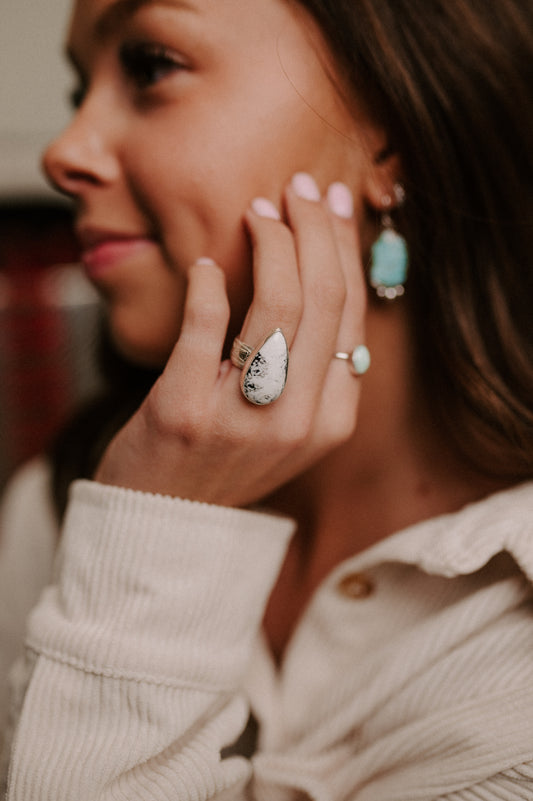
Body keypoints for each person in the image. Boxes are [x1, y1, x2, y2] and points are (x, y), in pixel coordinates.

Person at [1, 0, 533, 797]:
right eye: (81, 89)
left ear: (388, 133)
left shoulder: (512, 614)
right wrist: (149, 524)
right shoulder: (62, 502)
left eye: (150, 66)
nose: (64, 153)